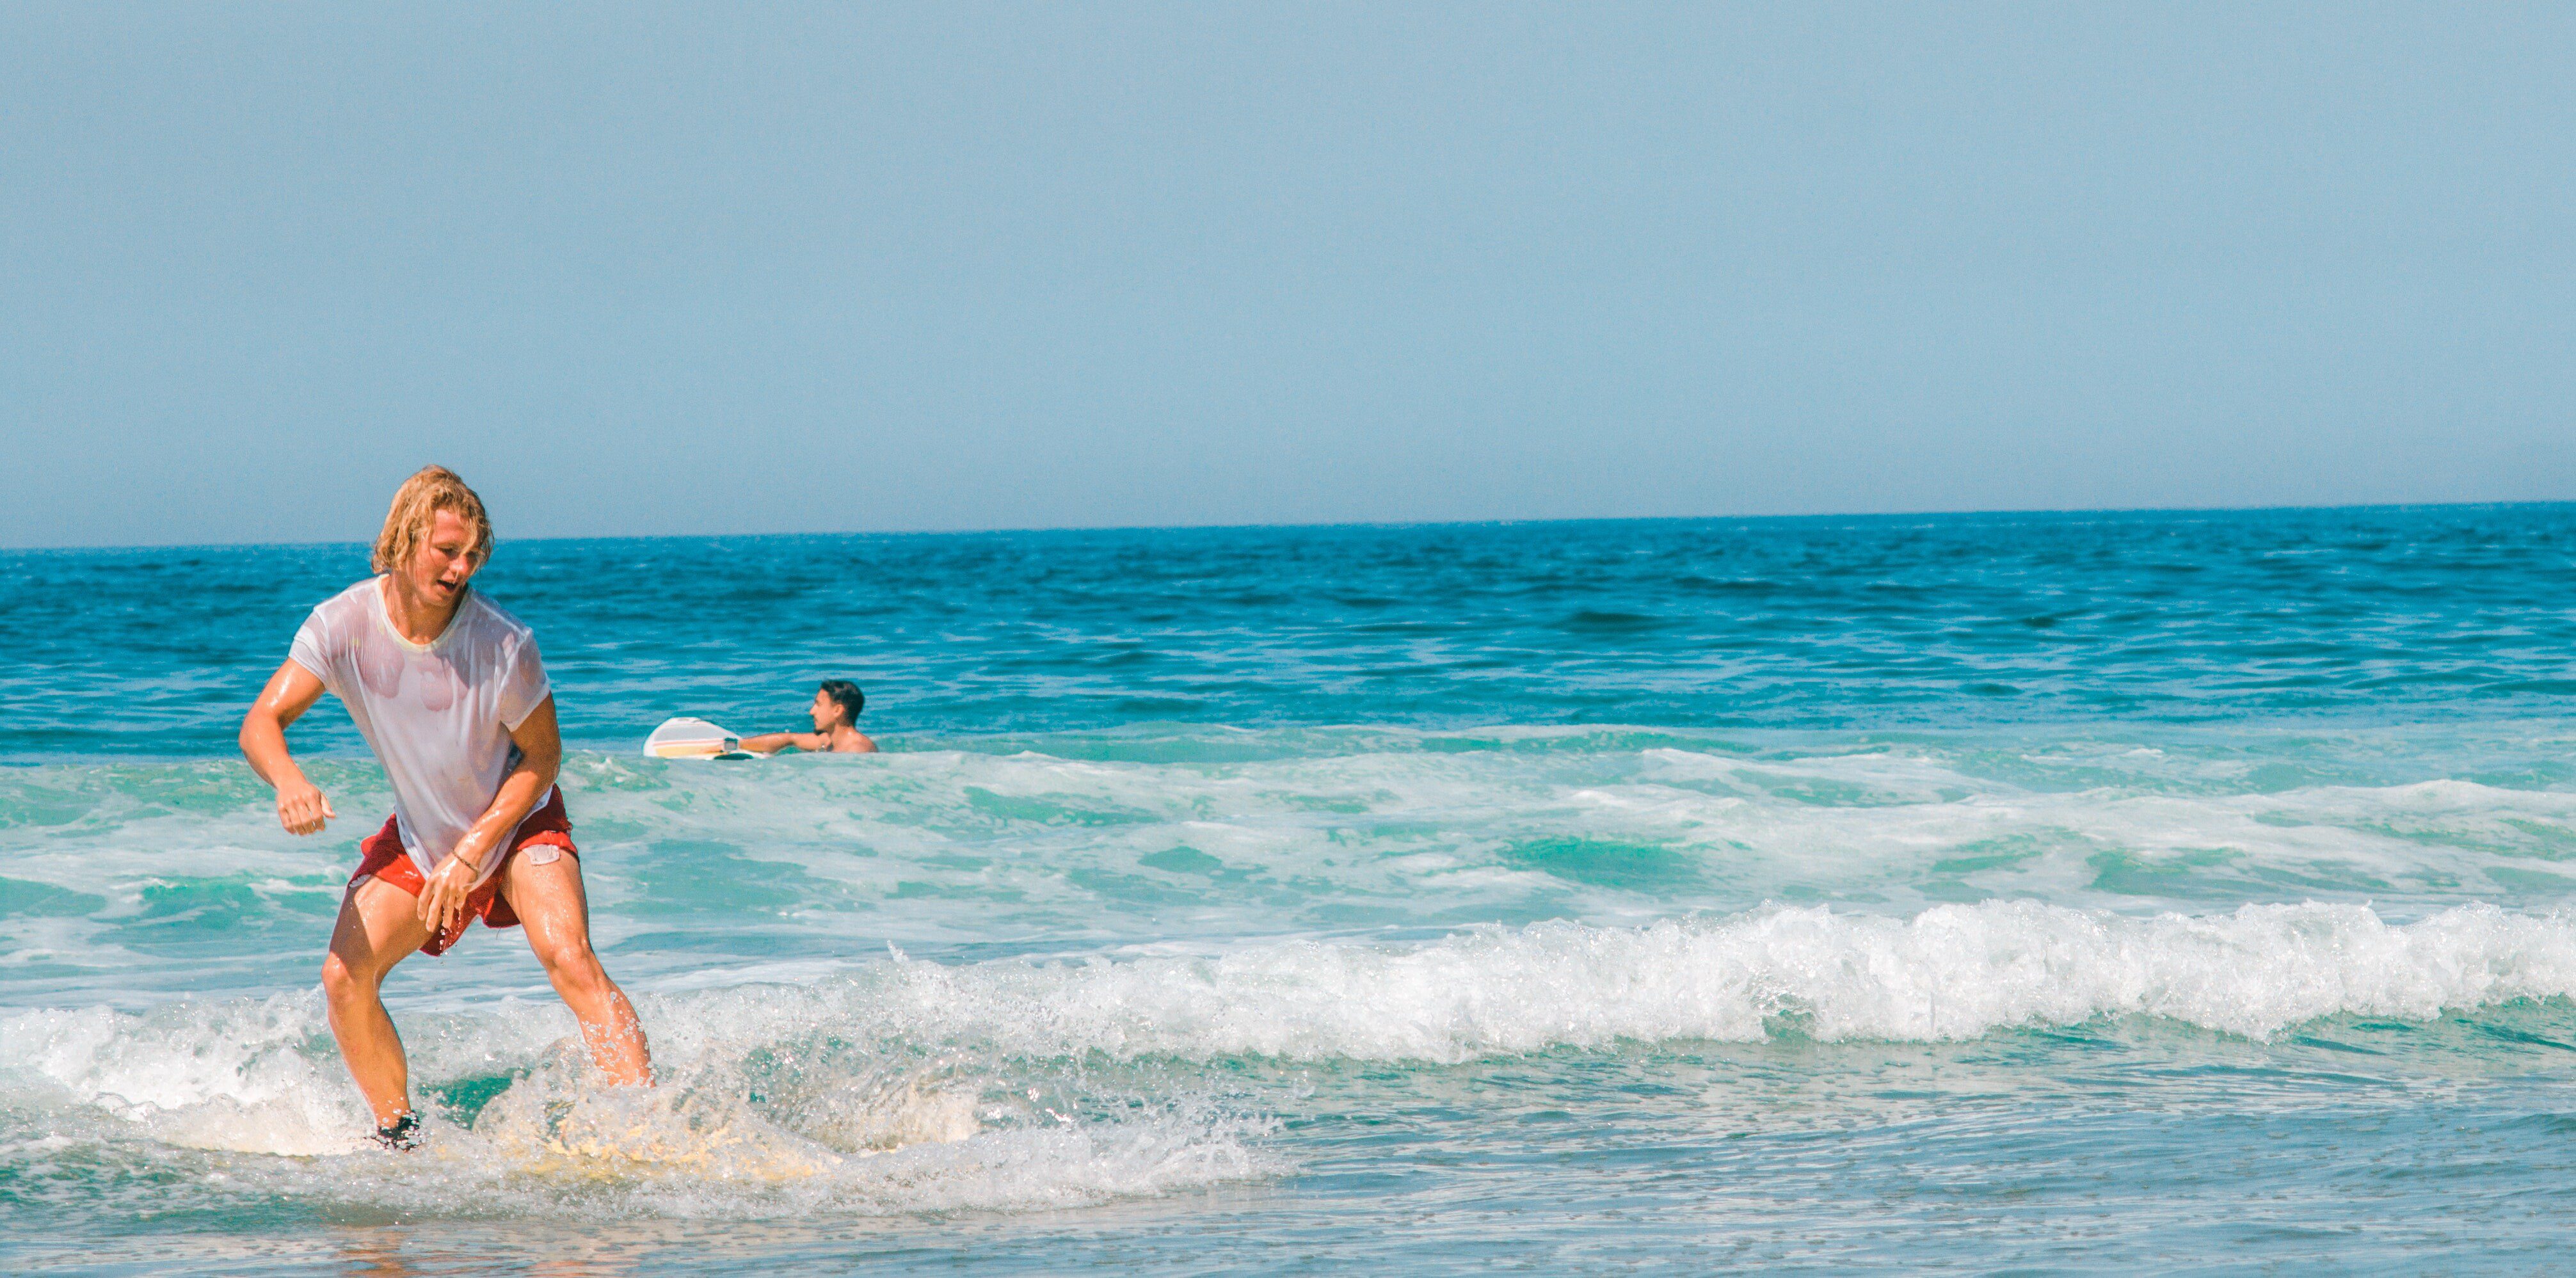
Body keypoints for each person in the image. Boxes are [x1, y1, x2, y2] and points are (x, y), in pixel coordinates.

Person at [238, 466, 650, 1150]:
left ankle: (647, 1124)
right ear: (403, 540)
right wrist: (287, 780)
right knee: (344, 977)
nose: (461, 569)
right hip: (425, 837)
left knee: (569, 956)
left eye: (472, 556)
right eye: (446, 551)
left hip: (519, 823)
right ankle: (400, 1137)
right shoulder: (342, 625)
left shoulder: (502, 642)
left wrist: (474, 850)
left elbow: (543, 758)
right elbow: (261, 721)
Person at [740, 680, 878, 754]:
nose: (812, 711)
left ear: (837, 710)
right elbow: (790, 739)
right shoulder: (828, 741)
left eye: (818, 704)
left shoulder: (858, 750)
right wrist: (732, 744)